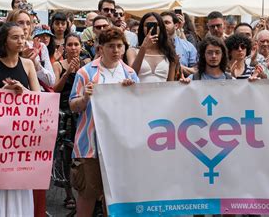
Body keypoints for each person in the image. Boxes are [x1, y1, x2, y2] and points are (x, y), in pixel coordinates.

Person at [69, 28, 139, 217]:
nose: (116, 50)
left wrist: (132, 93)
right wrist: (85, 98)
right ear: (101, 48)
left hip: (120, 146)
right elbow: (73, 105)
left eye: (119, 46)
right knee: (87, 199)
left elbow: (140, 109)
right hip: (90, 145)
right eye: (111, 46)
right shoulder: (85, 72)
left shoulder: (130, 74)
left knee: (115, 201)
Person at [0, 22, 40, 216]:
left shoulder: (28, 64)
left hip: (21, 137)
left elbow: (38, 97)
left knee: (19, 185)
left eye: (23, 37)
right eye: (15, 37)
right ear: (5, 40)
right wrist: (3, 93)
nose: (21, 41)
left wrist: (24, 91)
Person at [52, 32, 83, 210]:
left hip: (81, 111)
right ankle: (69, 194)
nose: (73, 48)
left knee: (80, 153)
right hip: (64, 112)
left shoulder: (87, 65)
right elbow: (55, 89)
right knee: (65, 154)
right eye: (70, 44)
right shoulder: (58, 65)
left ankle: (83, 192)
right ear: (65, 47)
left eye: (76, 44)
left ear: (81, 46)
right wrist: (68, 73)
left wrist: (79, 71)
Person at [7, 9, 55, 88]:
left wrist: (35, 63)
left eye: (28, 23)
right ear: (10, 25)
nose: (25, 27)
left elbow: (51, 82)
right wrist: (21, 59)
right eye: (20, 23)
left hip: (35, 97)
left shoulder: (40, 47)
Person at [127, 12, 177, 82]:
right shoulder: (132, 51)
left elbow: (170, 82)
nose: (152, 28)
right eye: (147, 25)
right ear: (142, 28)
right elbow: (132, 75)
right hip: (139, 92)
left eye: (156, 25)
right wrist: (143, 48)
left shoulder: (169, 52)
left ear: (161, 28)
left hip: (163, 92)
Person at [161, 11, 198, 76]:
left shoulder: (188, 46)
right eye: (161, 23)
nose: (163, 26)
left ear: (176, 26)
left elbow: (196, 70)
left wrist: (176, 65)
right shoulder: (152, 46)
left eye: (167, 22)